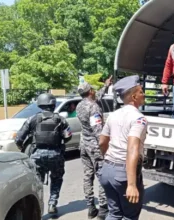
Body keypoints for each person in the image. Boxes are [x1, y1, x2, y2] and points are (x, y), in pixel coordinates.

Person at [15, 93, 72, 215]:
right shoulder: (60, 119)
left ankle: (38, 210)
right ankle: (52, 203)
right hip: (56, 154)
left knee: (37, 183)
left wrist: (22, 147)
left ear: (40, 104)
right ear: (53, 104)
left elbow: (19, 138)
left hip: (37, 155)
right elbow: (68, 136)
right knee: (56, 179)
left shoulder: (32, 119)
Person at [99, 75, 147, 220]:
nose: (143, 94)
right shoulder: (139, 119)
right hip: (123, 175)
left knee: (114, 213)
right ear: (134, 96)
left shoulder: (113, 115)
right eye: (141, 92)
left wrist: (108, 160)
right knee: (129, 216)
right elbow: (132, 149)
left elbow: (102, 142)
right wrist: (132, 184)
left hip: (107, 171)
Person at [76, 76, 112, 219]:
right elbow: (98, 132)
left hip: (84, 145)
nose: (95, 91)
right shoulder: (94, 107)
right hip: (95, 147)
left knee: (87, 176)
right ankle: (103, 210)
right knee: (102, 176)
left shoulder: (80, 105)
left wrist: (106, 85)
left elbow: (97, 97)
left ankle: (91, 207)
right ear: (90, 91)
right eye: (93, 90)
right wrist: (106, 148)